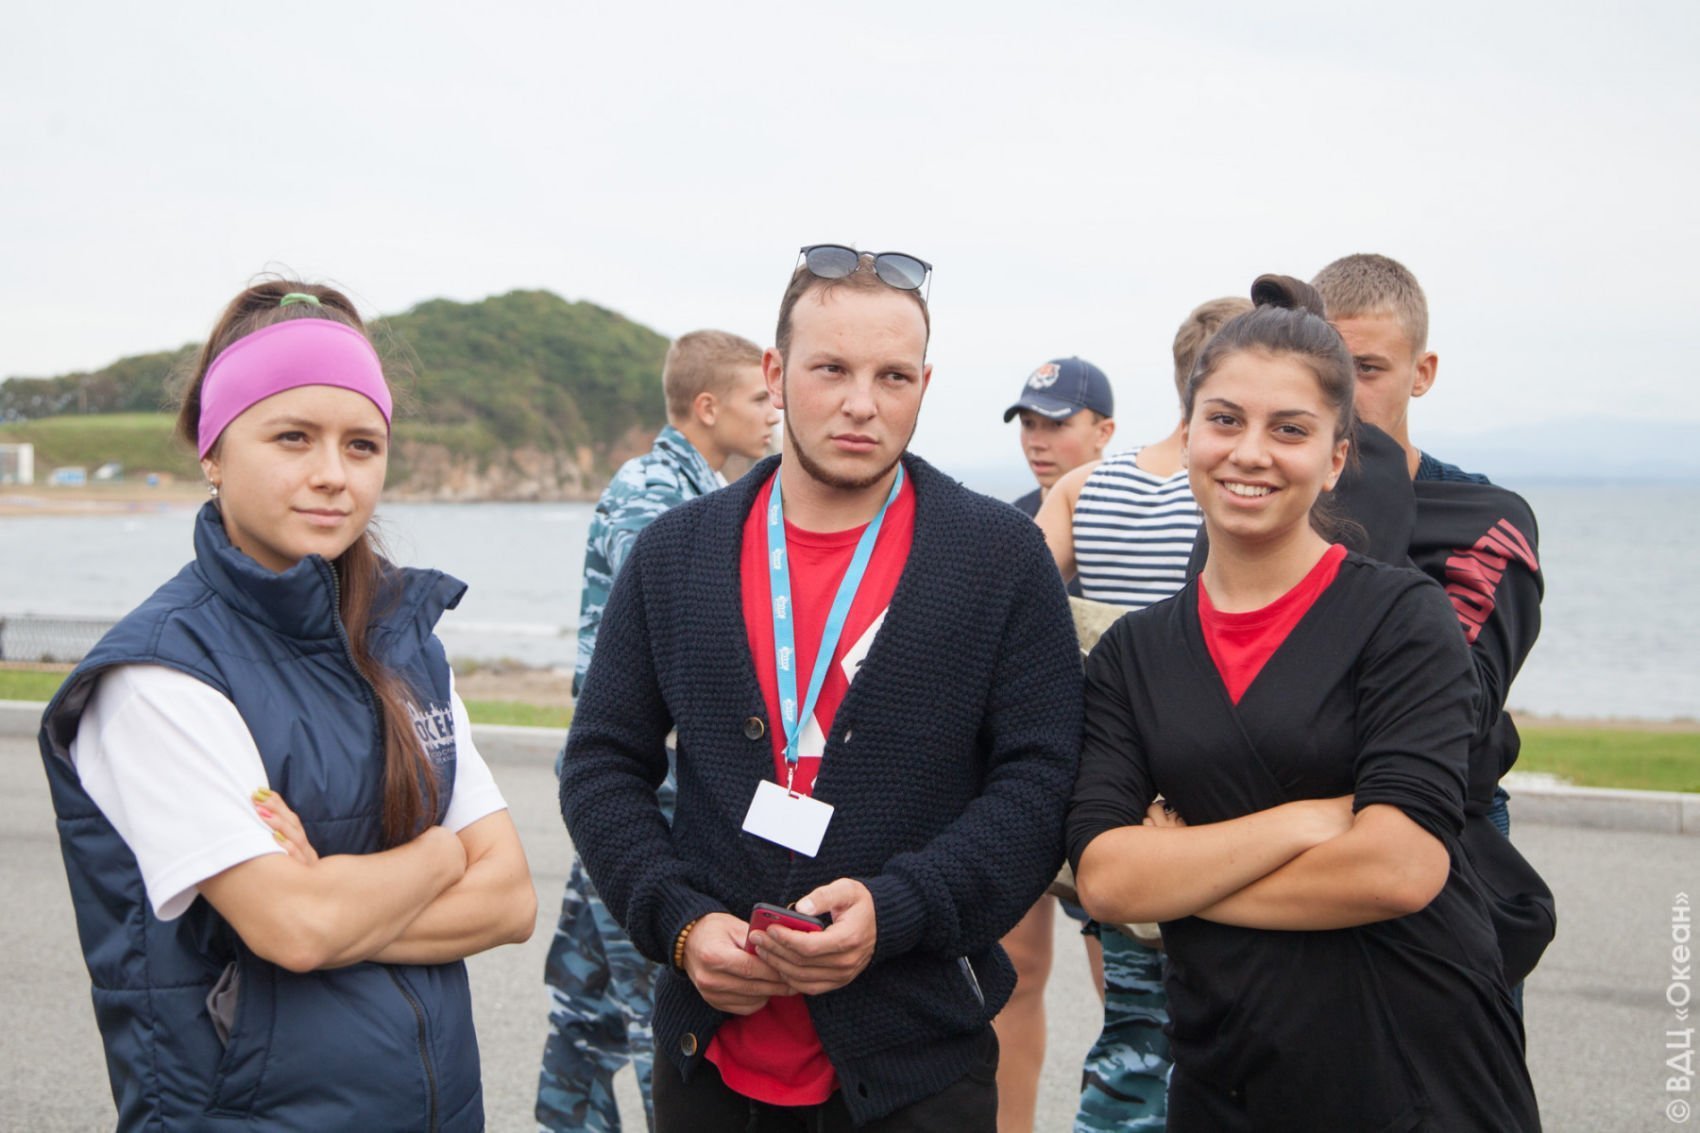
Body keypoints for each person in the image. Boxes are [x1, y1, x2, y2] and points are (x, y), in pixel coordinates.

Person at [559, 243, 1083, 1131]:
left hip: (918, 1063)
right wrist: (680, 921)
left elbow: (1039, 783)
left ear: (925, 384)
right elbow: (601, 763)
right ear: (776, 373)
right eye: (831, 368)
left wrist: (899, 909)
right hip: (709, 1058)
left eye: (893, 376)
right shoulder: (675, 554)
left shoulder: (1000, 559)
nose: (861, 403)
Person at [38, 280, 535, 1131]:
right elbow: (298, 925)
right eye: (292, 437)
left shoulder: (403, 643)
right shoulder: (157, 675)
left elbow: (513, 899)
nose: (332, 474)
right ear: (214, 451)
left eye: (362, 445)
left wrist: (343, 901)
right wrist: (441, 854)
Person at [1066, 275, 1540, 1131]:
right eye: (1225, 419)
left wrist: (1180, 880)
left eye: (1290, 429)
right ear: (1189, 434)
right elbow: (1107, 876)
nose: (1251, 452)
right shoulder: (1134, 655)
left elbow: (1399, 868)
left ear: (1336, 459)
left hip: (1414, 1063)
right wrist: (1311, 821)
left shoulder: (1403, 617)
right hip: (1224, 1068)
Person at [539, 328, 779, 1133]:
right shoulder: (653, 492)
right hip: (646, 795)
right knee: (657, 1020)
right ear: (707, 407)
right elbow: (683, 645)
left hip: (638, 786)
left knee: (585, 1005)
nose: (773, 410)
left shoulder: (695, 487)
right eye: (758, 396)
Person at [1035, 295, 1249, 1132]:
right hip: (1218, 789)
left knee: (1130, 1027)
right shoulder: (1238, 488)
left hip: (1117, 788)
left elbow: (1022, 606)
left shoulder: (1085, 486)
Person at [992, 355, 1116, 1133]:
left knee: (1125, 983)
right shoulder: (1005, 528)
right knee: (1013, 972)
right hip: (1021, 775)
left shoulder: (1132, 519)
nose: (1039, 439)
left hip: (1113, 780)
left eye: (1058, 423)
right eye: (1029, 423)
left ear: (1105, 430)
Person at [1004, 356, 1115, 518]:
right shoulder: (1012, 521)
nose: (1036, 443)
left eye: (1057, 424)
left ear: (1103, 433)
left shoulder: (1136, 517)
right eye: (1028, 423)